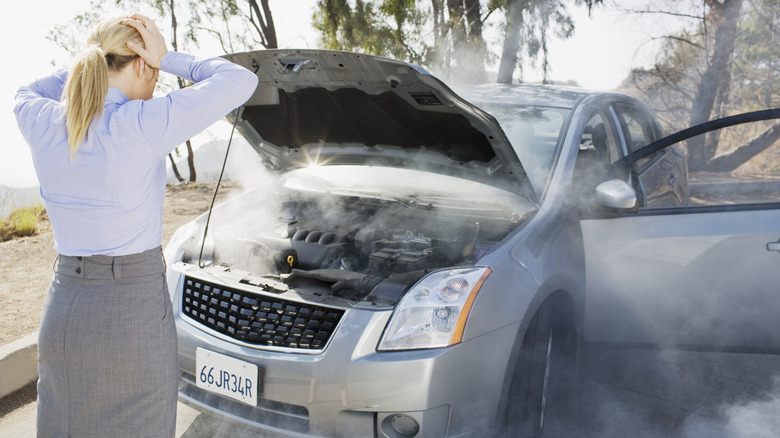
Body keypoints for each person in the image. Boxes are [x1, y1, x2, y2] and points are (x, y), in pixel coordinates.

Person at [13, 13, 258, 437]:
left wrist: (89, 62)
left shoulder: (44, 121)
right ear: (142, 64)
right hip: (132, 310)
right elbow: (239, 81)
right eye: (155, 72)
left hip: (65, 307)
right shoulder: (140, 124)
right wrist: (170, 56)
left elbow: (25, 91)